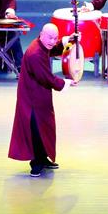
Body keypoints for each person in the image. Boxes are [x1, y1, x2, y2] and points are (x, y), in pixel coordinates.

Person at [8, 23, 75, 177]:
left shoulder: (42, 45)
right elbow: (46, 78)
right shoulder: (35, 54)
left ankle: (43, 159)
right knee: (36, 131)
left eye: (56, 38)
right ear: (41, 35)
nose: (53, 41)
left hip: (40, 95)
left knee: (45, 128)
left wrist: (68, 41)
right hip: (32, 99)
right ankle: (36, 164)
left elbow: (52, 49)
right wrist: (66, 82)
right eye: (50, 38)